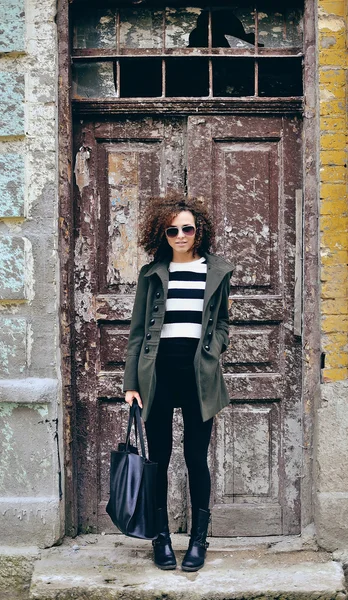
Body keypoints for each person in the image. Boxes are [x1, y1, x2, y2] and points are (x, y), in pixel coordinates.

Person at [123, 194, 233, 572]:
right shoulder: (152, 273)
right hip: (157, 377)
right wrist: (130, 382)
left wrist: (214, 350)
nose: (181, 235)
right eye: (173, 230)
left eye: (188, 228)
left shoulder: (217, 271)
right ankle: (161, 538)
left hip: (199, 376)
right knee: (159, 459)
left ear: (198, 230)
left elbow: (222, 324)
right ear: (163, 234)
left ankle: (199, 540)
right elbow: (137, 332)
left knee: (195, 459)